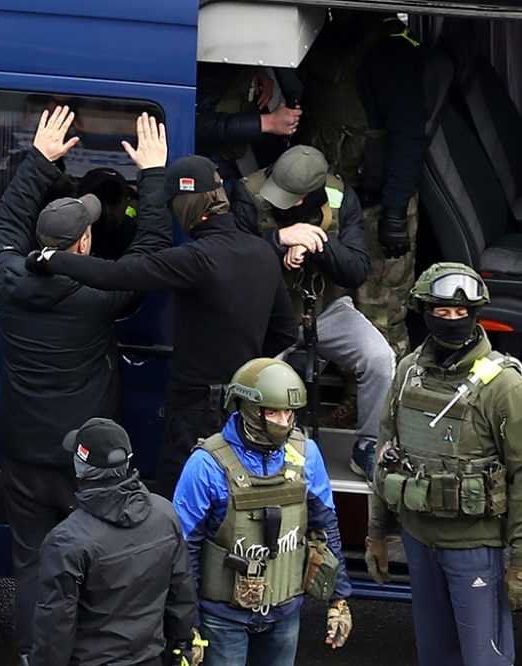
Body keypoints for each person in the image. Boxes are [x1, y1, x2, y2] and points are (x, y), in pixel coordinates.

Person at [0, 107, 172, 662]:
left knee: (30, 564)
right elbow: (150, 256)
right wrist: (154, 176)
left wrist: (38, 162)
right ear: (86, 245)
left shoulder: (5, 277)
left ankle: (31, 654)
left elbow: (4, 225)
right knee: (94, 562)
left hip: (23, 450)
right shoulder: (98, 298)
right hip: (82, 460)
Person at [33, 155, 299, 498]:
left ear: (187, 204)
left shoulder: (196, 259)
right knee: (233, 502)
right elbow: (285, 333)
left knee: (182, 509)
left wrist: (52, 258)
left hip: (195, 413)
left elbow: (114, 275)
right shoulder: (262, 252)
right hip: (245, 408)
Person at [367, 262, 522, 665]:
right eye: (441, 312)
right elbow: (386, 455)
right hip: (419, 541)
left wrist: (521, 561)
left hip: (474, 547)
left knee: (485, 659)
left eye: (461, 313)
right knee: (434, 655)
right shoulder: (408, 372)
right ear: (425, 312)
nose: (451, 320)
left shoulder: (505, 388)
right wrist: (376, 532)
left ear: (475, 313)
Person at [172, 358, 353, 666]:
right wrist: (187, 624)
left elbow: (326, 527)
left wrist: (340, 597)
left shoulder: (307, 455)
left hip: (285, 611)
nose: (283, 421)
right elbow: (183, 548)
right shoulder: (206, 465)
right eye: (272, 412)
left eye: (289, 412)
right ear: (246, 408)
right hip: (222, 617)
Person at [231, 144, 395, 479]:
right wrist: (278, 242)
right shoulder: (248, 192)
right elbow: (233, 261)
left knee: (380, 358)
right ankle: (256, 448)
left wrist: (316, 241)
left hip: (327, 308)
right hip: (269, 314)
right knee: (257, 379)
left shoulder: (340, 197)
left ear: (308, 195)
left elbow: (356, 270)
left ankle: (368, 446)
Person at [299, 11, 428, 361]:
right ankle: (349, 397)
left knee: (381, 311)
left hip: (379, 202)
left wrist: (396, 212)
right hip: (331, 202)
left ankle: (381, 407)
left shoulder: (391, 53)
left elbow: (408, 138)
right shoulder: (328, 40)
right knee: (331, 307)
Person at [30, 418, 198, 666]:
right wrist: (180, 647)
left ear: (80, 466)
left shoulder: (66, 541)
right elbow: (181, 595)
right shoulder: (165, 514)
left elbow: (55, 626)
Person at [195, 63, 302, 183]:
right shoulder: (215, 67)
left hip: (234, 153)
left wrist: (252, 72)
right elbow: (195, 122)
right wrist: (268, 122)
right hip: (212, 159)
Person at [76, 167, 138, 260]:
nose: (106, 211)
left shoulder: (137, 239)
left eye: (114, 201)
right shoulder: (68, 235)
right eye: (97, 201)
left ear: (127, 201)